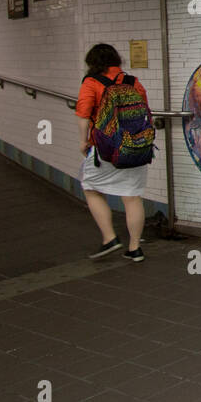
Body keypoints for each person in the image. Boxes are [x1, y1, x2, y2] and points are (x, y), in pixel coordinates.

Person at [75, 43, 150, 261]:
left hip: (104, 149)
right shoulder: (132, 81)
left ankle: (110, 238)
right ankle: (135, 248)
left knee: (90, 188)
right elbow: (144, 110)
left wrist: (82, 142)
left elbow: (82, 114)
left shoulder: (91, 83)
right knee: (132, 197)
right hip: (135, 146)